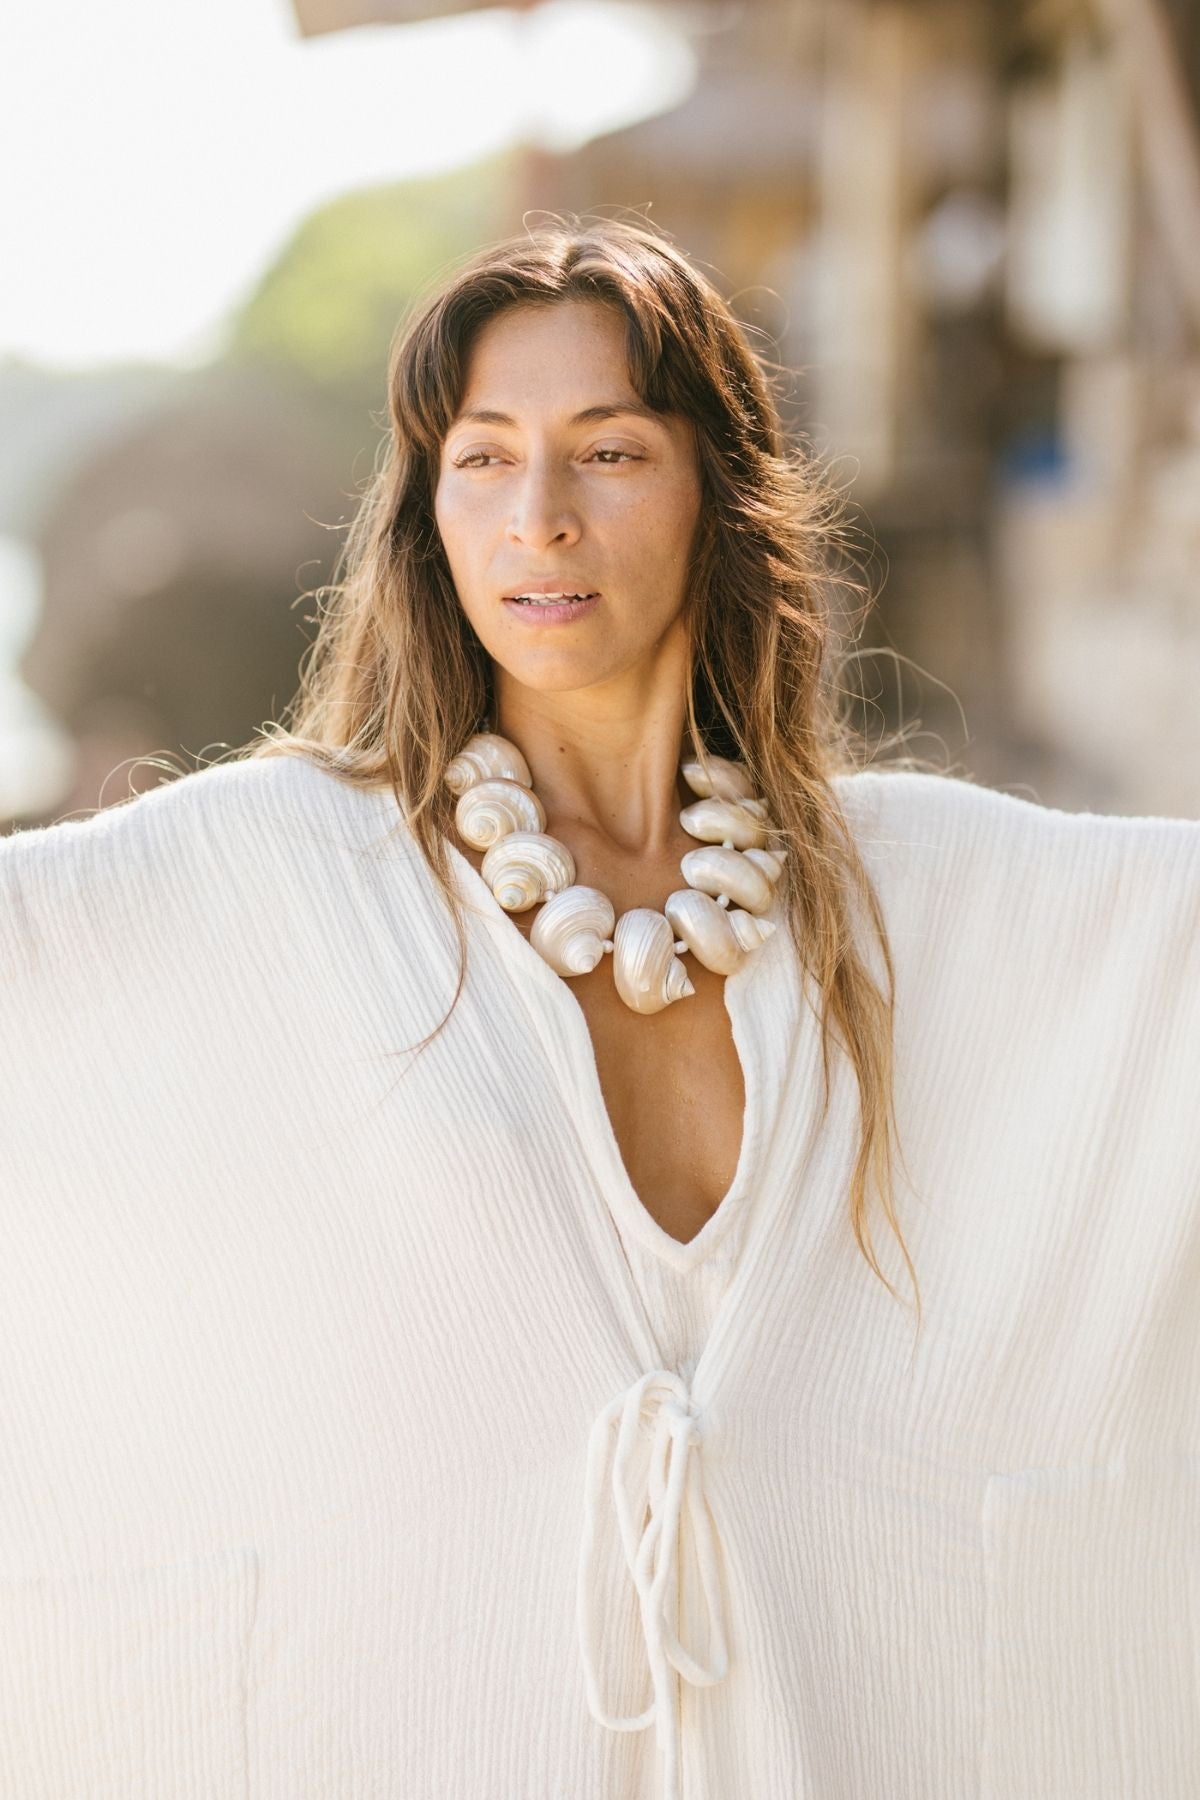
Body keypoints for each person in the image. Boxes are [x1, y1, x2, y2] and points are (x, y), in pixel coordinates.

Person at [1, 216, 1196, 1800]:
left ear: (718, 490)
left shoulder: (900, 895)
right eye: (482, 462)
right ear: (427, 517)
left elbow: (1150, 965)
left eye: (608, 451)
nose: (538, 518)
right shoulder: (284, 874)